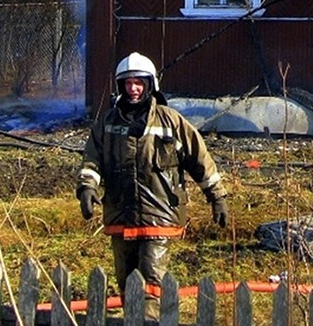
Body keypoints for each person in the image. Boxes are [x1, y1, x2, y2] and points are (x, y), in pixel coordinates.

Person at [76, 52, 229, 321]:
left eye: (138, 82)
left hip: (160, 214)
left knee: (151, 279)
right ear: (119, 86)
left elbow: (199, 159)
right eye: (127, 83)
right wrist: (87, 188)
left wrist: (217, 197)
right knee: (126, 280)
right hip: (120, 213)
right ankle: (133, 318)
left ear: (150, 85)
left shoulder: (171, 122)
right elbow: (93, 159)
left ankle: (148, 320)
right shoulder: (107, 124)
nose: (133, 89)